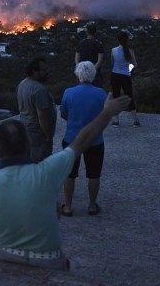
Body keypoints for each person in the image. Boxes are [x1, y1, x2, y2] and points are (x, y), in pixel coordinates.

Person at [0, 94, 130, 270]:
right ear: (28, 143)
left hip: (6, 257)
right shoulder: (46, 172)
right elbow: (82, 140)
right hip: (47, 262)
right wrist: (107, 112)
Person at [59, 61, 107, 216]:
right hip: (95, 140)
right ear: (93, 75)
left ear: (77, 74)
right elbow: (104, 116)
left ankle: (68, 207)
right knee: (94, 174)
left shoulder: (68, 92)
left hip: (72, 139)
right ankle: (92, 206)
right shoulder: (101, 94)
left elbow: (64, 114)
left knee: (69, 174)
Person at [17, 57, 56, 161]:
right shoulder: (39, 90)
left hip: (26, 130)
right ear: (34, 71)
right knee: (41, 164)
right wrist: (48, 136)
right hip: (38, 136)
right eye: (44, 70)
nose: (47, 72)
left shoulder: (22, 84)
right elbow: (42, 117)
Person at [110, 30, 139, 126]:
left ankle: (116, 121)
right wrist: (128, 70)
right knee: (129, 97)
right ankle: (135, 121)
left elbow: (112, 64)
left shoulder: (113, 50)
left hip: (115, 75)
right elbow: (135, 64)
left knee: (116, 97)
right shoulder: (130, 50)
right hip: (126, 76)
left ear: (118, 40)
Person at [75, 22, 105, 87]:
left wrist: (79, 70)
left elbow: (76, 59)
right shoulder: (98, 44)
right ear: (95, 32)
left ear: (87, 32)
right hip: (95, 74)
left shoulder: (81, 43)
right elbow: (99, 61)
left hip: (82, 74)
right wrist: (92, 70)